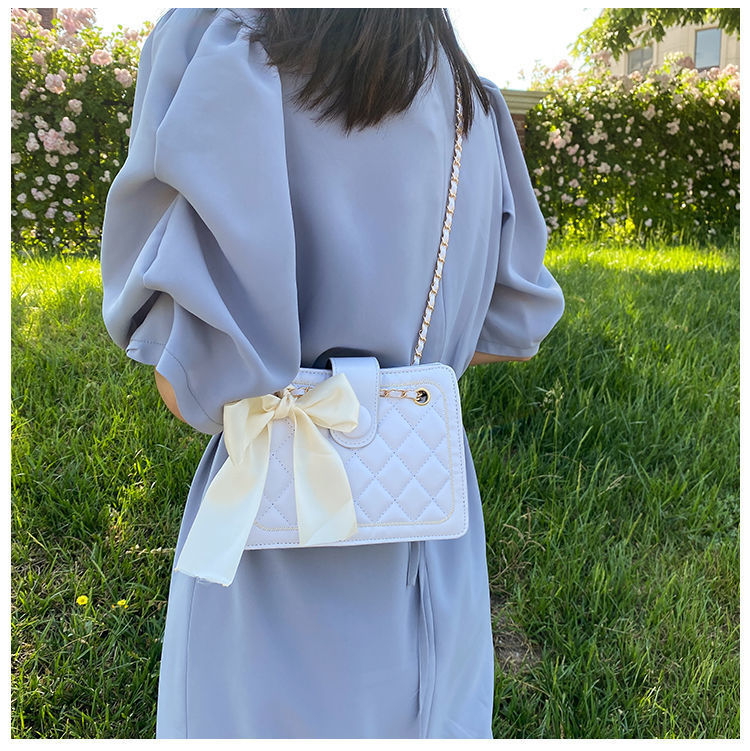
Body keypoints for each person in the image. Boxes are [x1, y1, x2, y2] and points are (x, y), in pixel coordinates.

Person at [99, 7, 565, 739]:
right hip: (425, 516)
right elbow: (513, 325)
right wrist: (394, 370)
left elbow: (193, 385)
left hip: (271, 536)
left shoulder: (230, 51)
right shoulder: (468, 99)